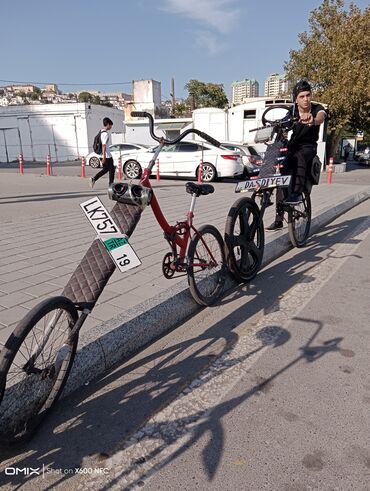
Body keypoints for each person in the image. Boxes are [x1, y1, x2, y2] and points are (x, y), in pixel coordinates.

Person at [266, 80, 327, 231]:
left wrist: (313, 120)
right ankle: (278, 218)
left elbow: (321, 116)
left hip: (308, 147)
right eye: (302, 96)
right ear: (296, 99)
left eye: (308, 95)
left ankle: (297, 194)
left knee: (299, 156)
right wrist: (277, 127)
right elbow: (285, 124)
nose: (306, 99)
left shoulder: (316, 108)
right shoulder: (292, 111)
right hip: (293, 146)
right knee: (281, 177)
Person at [90, 117, 114, 188]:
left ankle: (94, 179)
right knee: (111, 170)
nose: (111, 127)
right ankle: (111, 186)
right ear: (108, 124)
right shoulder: (105, 134)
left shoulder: (101, 132)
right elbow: (103, 145)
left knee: (105, 169)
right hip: (106, 156)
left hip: (102, 155)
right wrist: (104, 157)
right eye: (111, 125)